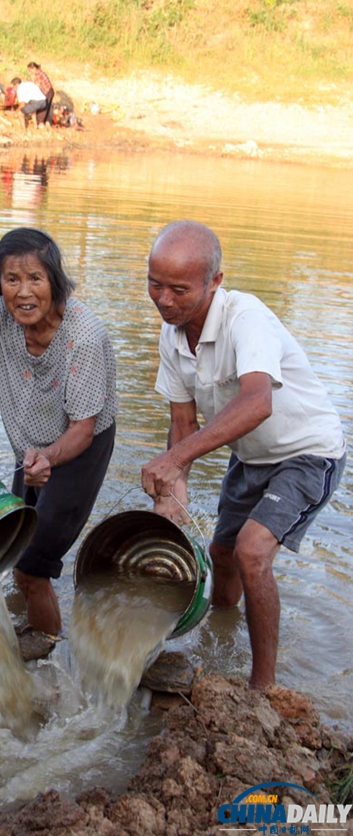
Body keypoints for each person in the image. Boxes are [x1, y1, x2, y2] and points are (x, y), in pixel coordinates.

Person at [141, 220, 346, 690]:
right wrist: (173, 493)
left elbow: (257, 402)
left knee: (252, 553)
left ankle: (262, 688)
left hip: (308, 451)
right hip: (253, 456)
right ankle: (218, 633)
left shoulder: (245, 317)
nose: (164, 300)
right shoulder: (172, 335)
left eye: (178, 289)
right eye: (154, 284)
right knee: (221, 552)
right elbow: (183, 424)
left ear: (214, 281)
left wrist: (174, 461)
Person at [0, 227, 118, 636]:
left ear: (55, 280)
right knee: (12, 546)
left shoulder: (84, 337)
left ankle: (47, 660)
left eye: (35, 278)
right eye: (11, 279)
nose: (22, 292)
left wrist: (47, 458)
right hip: (31, 443)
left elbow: (82, 431)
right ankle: (28, 637)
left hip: (78, 449)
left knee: (32, 569)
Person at [27, 62, 54, 127]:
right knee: (46, 107)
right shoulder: (38, 74)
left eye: (30, 70)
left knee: (43, 107)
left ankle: (41, 122)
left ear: (34, 68)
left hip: (47, 91)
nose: (30, 72)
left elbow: (37, 86)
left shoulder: (39, 74)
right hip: (48, 91)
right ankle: (45, 121)